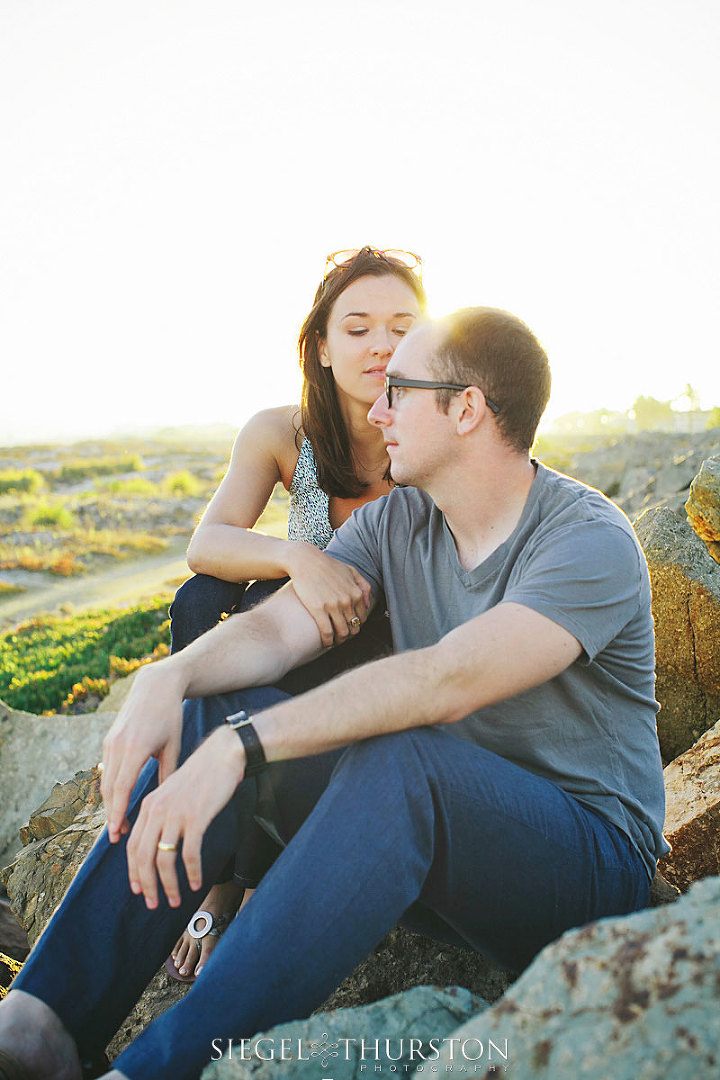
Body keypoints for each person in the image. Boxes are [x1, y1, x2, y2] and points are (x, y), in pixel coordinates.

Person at [0, 306, 669, 1080]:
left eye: (399, 390)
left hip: (586, 867)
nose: (377, 411)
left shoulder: (587, 539)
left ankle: (154, 1072)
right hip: (431, 839)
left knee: (388, 758)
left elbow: (447, 681)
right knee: (211, 710)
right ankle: (41, 1024)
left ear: (466, 408)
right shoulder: (398, 522)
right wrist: (170, 676)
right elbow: (278, 632)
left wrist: (242, 747)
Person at [168, 246, 427, 979]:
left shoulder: (437, 424)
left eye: (403, 326)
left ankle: (245, 873)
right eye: (358, 327)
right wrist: (299, 557)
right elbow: (207, 542)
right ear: (319, 344)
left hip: (393, 641)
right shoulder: (283, 431)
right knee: (200, 602)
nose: (382, 344)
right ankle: (226, 869)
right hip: (301, 624)